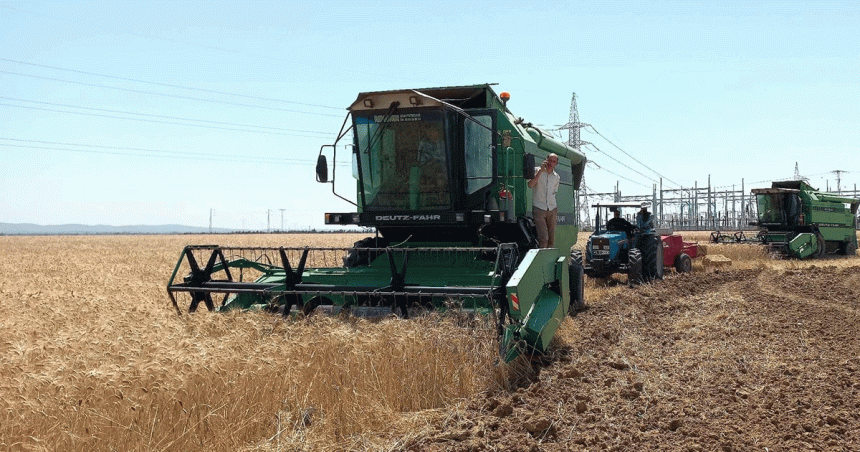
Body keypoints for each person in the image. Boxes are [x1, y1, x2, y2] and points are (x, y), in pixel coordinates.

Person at [528, 153, 560, 248]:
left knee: (551, 239)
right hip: (539, 208)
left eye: (553, 161)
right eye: (550, 160)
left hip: (552, 208)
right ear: (546, 160)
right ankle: (542, 260)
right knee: (543, 238)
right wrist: (541, 171)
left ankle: (549, 260)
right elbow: (530, 185)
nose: (551, 163)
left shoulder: (556, 177)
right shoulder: (537, 171)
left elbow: (554, 192)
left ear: (556, 164)